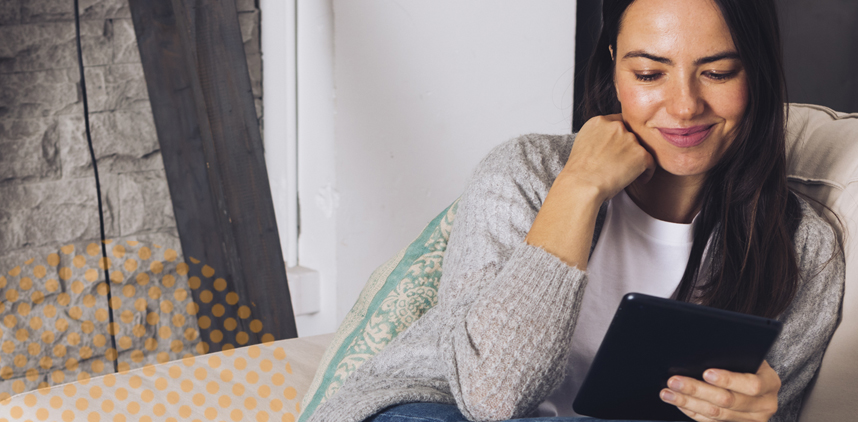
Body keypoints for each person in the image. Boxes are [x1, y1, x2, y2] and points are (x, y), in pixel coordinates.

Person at [306, 0, 845, 421]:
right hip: (430, 411)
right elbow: (490, 398)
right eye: (650, 74)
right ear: (613, 66)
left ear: (759, 74)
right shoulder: (526, 172)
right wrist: (579, 187)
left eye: (719, 72)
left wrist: (750, 414)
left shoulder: (805, 250)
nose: (684, 106)